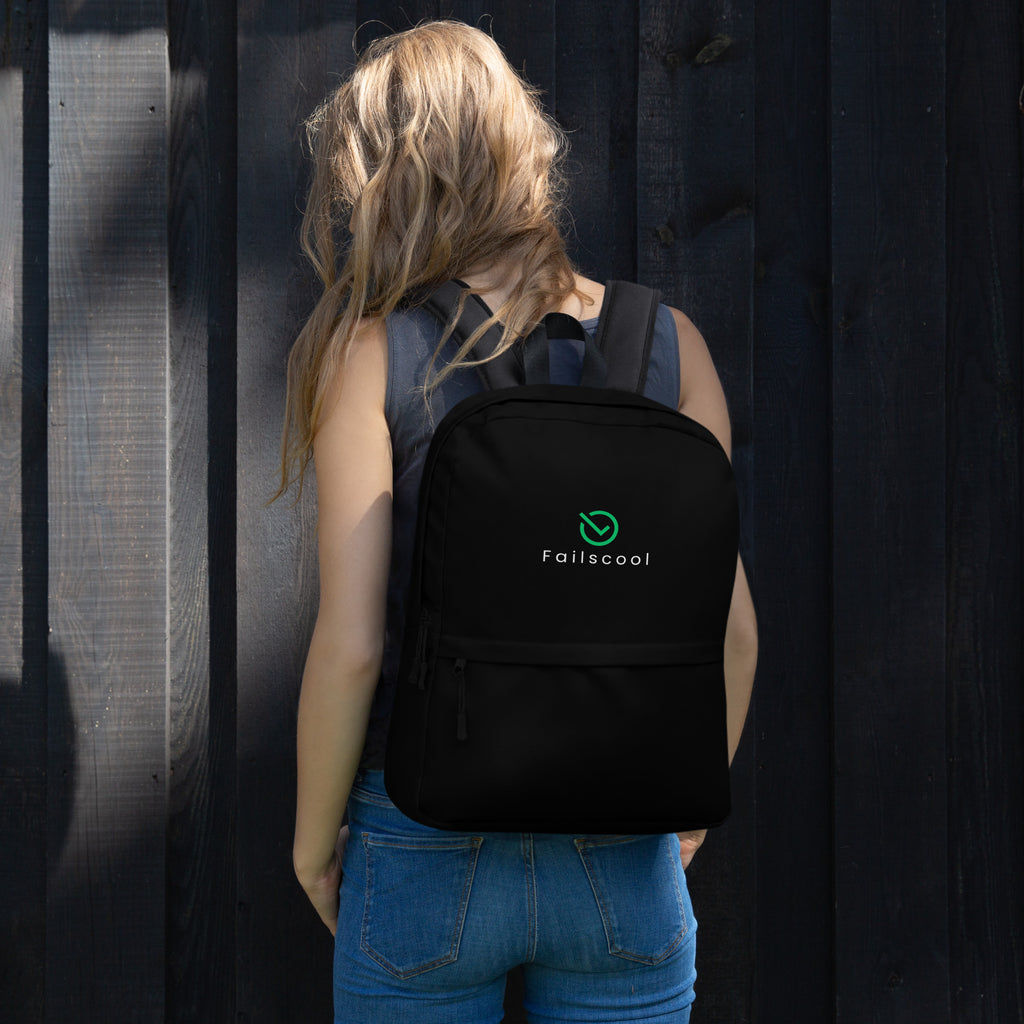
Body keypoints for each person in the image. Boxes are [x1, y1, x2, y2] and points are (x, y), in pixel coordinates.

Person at [279, 20, 758, 1024]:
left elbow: (355, 644)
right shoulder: (673, 345)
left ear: (383, 177)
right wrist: (684, 815)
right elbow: (735, 630)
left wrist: (314, 843)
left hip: (420, 839)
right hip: (622, 846)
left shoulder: (373, 350)